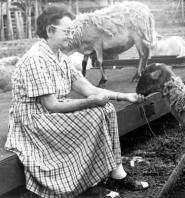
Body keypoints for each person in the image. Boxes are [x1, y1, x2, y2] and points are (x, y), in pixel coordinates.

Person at [5, 5, 149, 198]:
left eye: (72, 30)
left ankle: (117, 174)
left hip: (48, 113)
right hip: (33, 119)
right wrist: (90, 103)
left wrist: (123, 96)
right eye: (67, 30)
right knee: (94, 115)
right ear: (50, 30)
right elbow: (52, 105)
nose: (72, 34)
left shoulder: (60, 58)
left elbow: (88, 89)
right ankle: (88, 185)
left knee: (106, 109)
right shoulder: (35, 59)